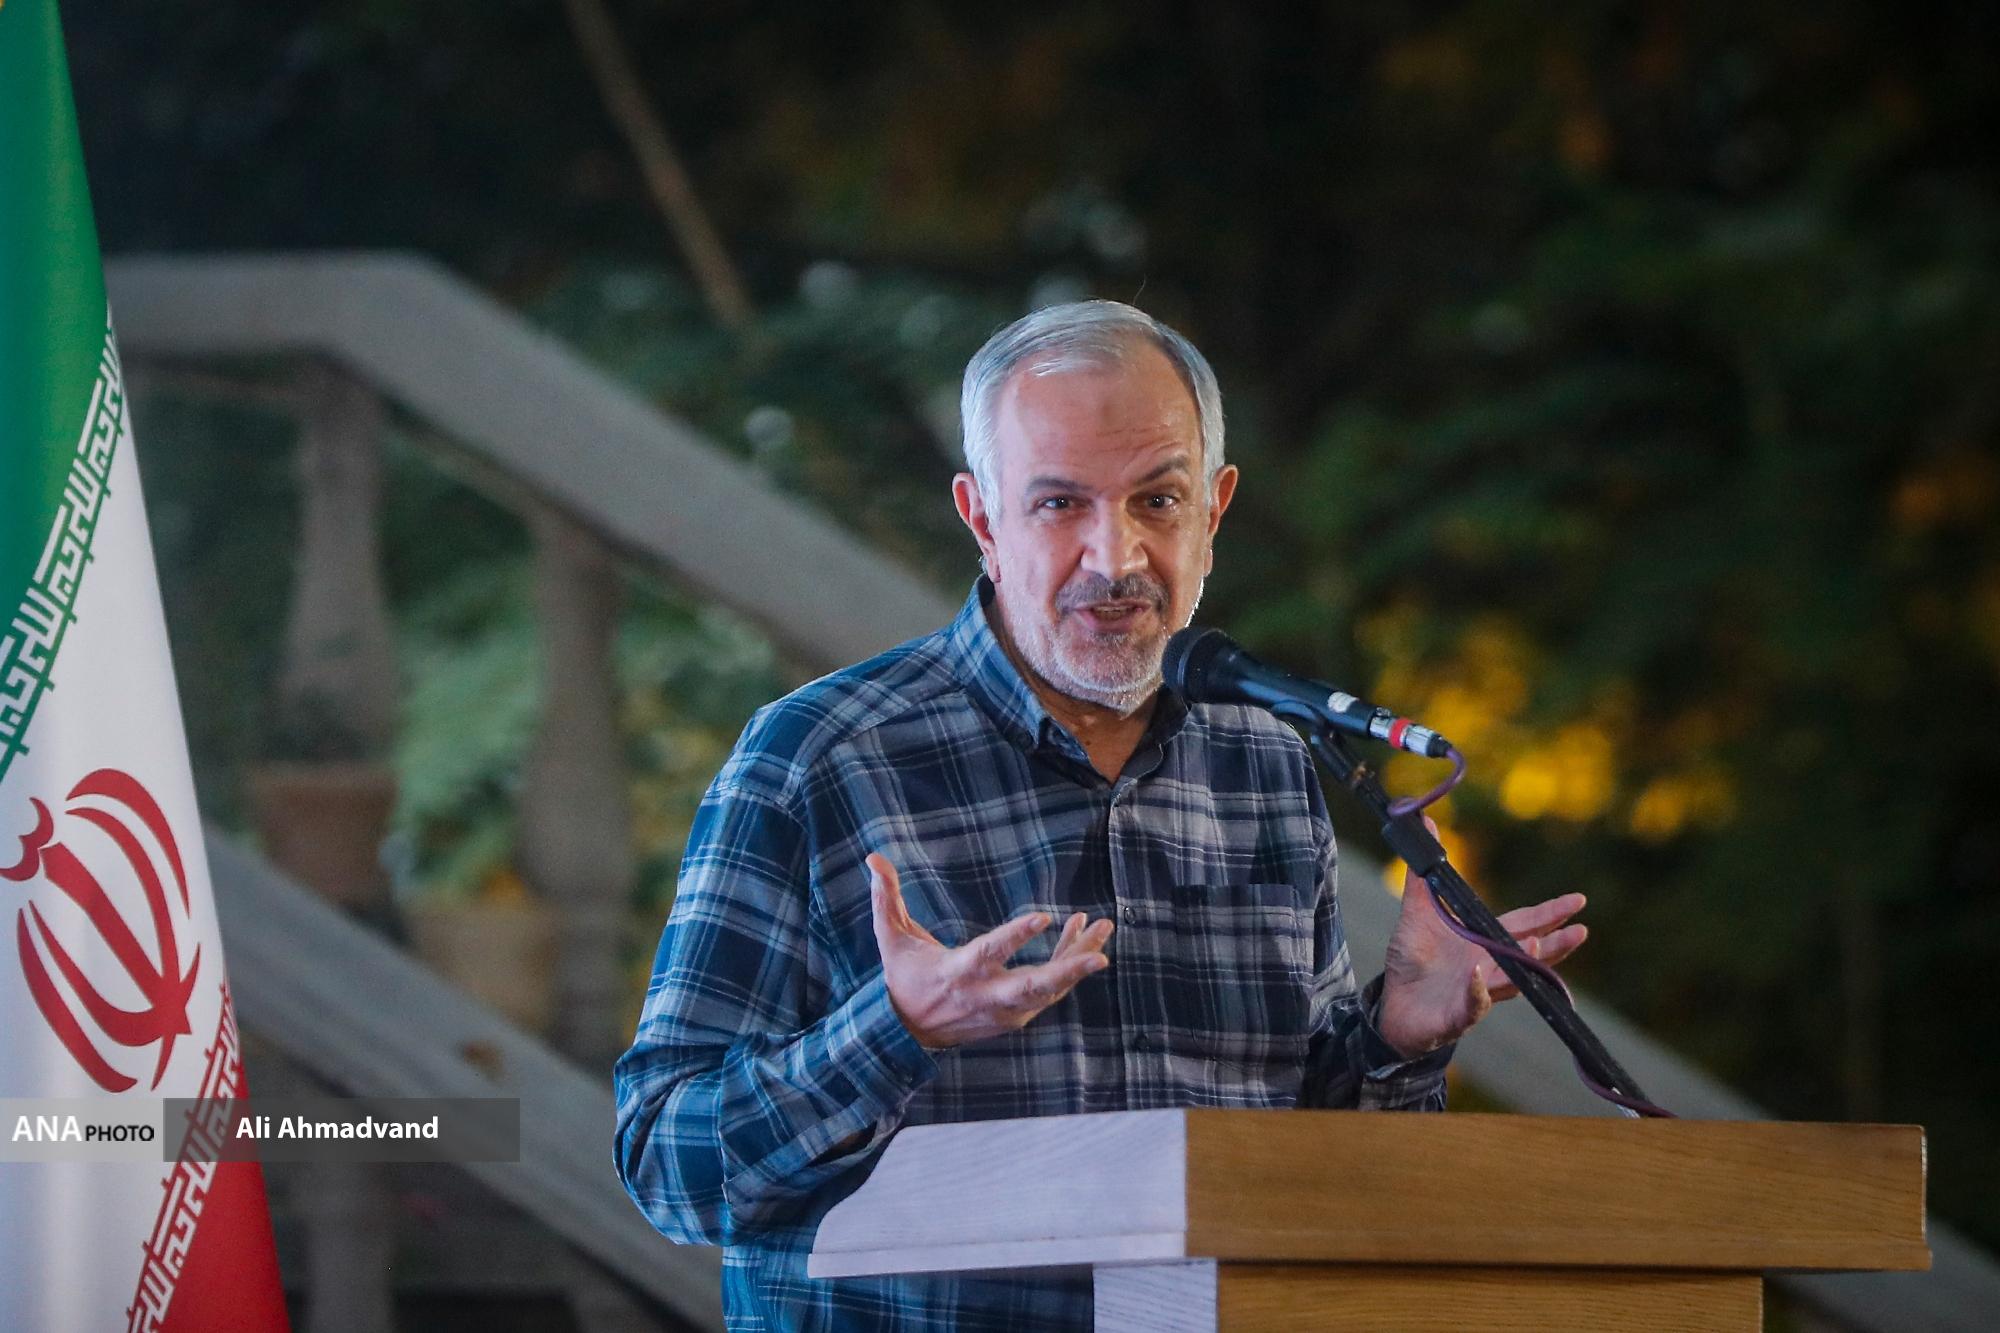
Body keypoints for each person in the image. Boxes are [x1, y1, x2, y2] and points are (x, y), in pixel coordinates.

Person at [613, 301, 1587, 1330]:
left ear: (1213, 511)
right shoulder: (816, 758)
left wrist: (1396, 1037)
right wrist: (894, 1030)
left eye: (1156, 500)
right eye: (1058, 503)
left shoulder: (1263, 762)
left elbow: (1305, 1176)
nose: (1114, 555)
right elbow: (665, 1165)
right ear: (982, 520)